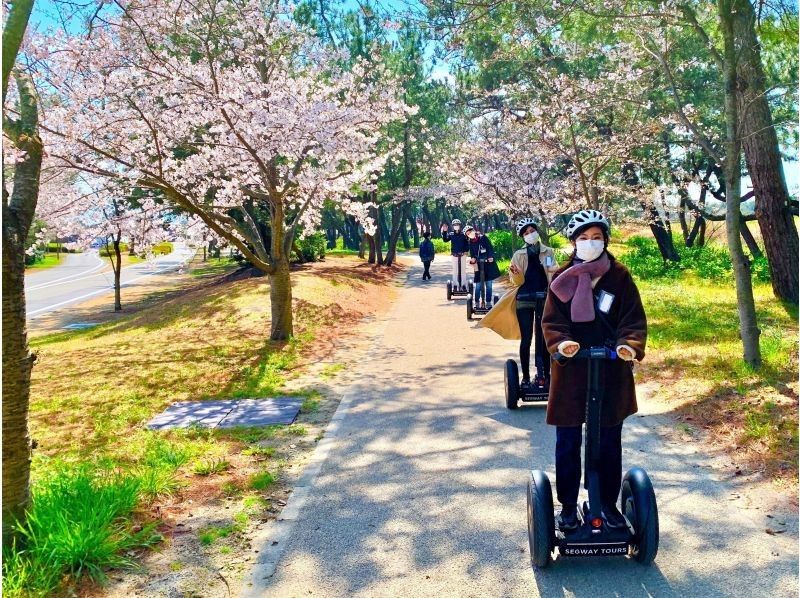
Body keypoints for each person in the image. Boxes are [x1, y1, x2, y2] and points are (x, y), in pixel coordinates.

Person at [541, 209, 647, 532]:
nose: (590, 244)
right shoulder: (562, 278)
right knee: (569, 441)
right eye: (584, 239)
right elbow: (552, 322)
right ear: (574, 243)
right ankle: (569, 506)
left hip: (611, 368)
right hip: (572, 370)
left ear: (605, 241)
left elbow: (633, 318)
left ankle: (607, 503)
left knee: (608, 441)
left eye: (596, 238)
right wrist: (562, 344)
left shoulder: (619, 276)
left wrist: (628, 343)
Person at [478, 218, 559, 387]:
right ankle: (526, 377)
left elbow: (553, 273)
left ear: (537, 232)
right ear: (523, 237)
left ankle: (546, 375)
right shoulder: (518, 255)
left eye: (532, 231)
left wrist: (554, 290)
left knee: (544, 338)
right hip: (525, 298)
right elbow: (516, 282)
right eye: (526, 233)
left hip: (544, 297)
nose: (530, 235)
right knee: (527, 338)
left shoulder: (548, 252)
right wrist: (515, 274)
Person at [465, 225, 500, 308]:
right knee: (478, 285)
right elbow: (473, 253)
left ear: (473, 230)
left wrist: (490, 256)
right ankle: (477, 302)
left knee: (489, 284)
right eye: (468, 233)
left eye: (470, 232)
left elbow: (490, 248)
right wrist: (473, 259)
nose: (470, 234)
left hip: (487, 263)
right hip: (478, 265)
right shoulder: (470, 242)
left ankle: (488, 302)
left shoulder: (483, 238)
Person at [440, 219, 469, 290]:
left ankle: (463, 284)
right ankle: (455, 285)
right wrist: (444, 231)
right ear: (453, 226)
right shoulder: (451, 234)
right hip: (454, 255)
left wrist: (466, 250)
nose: (456, 226)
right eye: (455, 225)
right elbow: (445, 240)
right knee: (455, 270)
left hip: (463, 254)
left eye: (457, 225)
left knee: (463, 270)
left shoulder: (463, 234)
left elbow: (467, 243)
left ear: (460, 225)